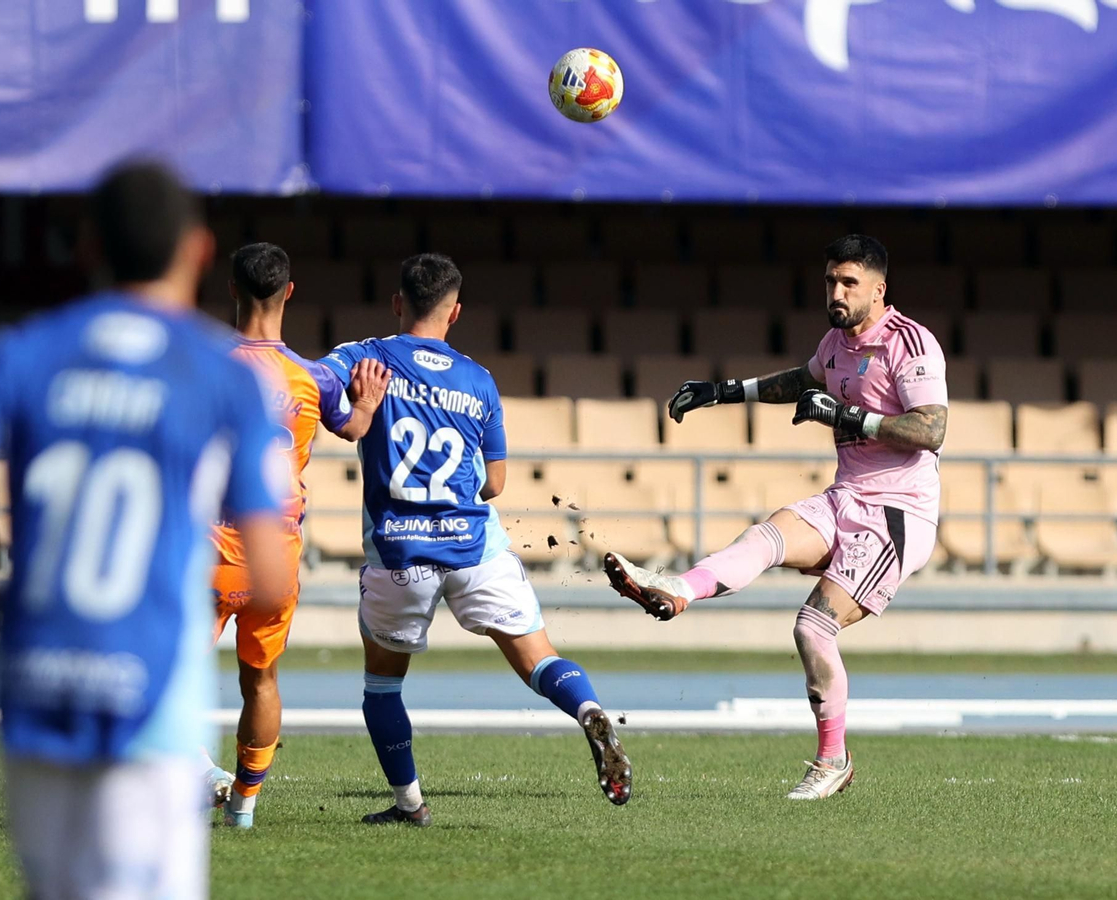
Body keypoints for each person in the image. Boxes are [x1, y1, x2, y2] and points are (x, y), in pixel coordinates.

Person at [0, 161, 287, 900]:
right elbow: (270, 575)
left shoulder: (18, 353)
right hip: (147, 702)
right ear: (199, 252)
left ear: (86, 248)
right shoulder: (226, 377)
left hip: (36, 690)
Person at [603, 234, 948, 801]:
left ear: (879, 289)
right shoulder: (836, 341)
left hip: (895, 514)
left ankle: (833, 761)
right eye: (831, 281)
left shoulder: (909, 344)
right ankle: (675, 589)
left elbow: (931, 430)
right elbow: (803, 378)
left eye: (849, 283)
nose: (836, 292)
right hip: (845, 497)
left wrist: (849, 417)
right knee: (767, 535)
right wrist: (722, 391)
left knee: (813, 628)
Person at [319, 253, 633, 826]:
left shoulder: (365, 357)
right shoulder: (478, 379)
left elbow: (315, 383)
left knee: (381, 687)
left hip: (399, 553)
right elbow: (495, 482)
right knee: (540, 660)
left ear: (396, 303)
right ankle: (588, 708)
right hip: (475, 548)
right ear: (455, 312)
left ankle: (410, 804)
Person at [203, 242, 389, 828]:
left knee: (161, 672)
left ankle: (193, 775)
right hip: (275, 556)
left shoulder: (205, 368)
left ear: (232, 290)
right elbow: (353, 426)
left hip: (209, 547)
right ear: (288, 292)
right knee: (260, 679)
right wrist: (367, 403)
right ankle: (243, 807)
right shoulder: (312, 378)